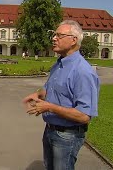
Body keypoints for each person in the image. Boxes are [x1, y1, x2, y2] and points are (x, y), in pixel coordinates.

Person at [23, 20, 100, 170]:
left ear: (73, 40)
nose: (54, 38)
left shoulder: (83, 71)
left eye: (59, 35)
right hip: (50, 130)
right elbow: (51, 89)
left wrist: (49, 107)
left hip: (67, 136)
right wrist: (38, 94)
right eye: (54, 34)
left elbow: (84, 115)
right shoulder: (59, 64)